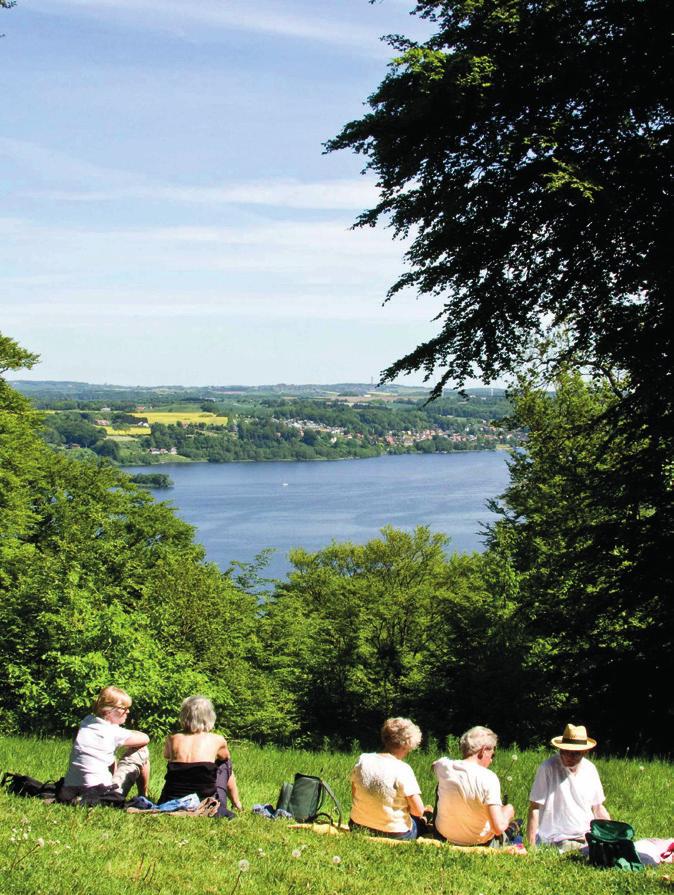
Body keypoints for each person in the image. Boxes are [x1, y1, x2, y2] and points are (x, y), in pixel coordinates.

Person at [527, 723, 611, 849]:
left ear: (584, 752)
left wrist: (611, 835)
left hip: (587, 835)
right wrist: (531, 846)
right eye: (564, 751)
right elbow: (534, 807)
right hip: (556, 837)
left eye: (575, 753)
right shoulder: (548, 768)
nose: (568, 757)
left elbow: (598, 808)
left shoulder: (590, 769)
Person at [60, 686, 150, 801]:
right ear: (108, 711)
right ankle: (143, 795)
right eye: (124, 708)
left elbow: (110, 758)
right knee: (141, 749)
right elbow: (145, 738)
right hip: (100, 792)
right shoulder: (114, 732)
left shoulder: (86, 721)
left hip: (69, 790)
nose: (128, 711)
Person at [432, 726, 515, 846]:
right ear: (483, 750)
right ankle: (512, 828)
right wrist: (508, 812)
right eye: (492, 755)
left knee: (440, 786)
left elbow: (434, 764)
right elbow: (497, 828)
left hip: (444, 836)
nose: (491, 760)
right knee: (506, 813)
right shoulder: (489, 778)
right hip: (476, 842)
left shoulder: (443, 766)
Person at [159, 695, 242, 815]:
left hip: (170, 799)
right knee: (225, 762)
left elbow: (167, 756)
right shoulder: (218, 740)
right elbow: (224, 757)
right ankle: (237, 804)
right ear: (209, 717)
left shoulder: (172, 738)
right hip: (205, 802)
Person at [349, 717, 428, 840]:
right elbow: (418, 811)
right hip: (395, 834)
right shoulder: (403, 769)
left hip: (357, 826)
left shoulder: (363, 759)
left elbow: (354, 793)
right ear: (407, 744)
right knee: (423, 819)